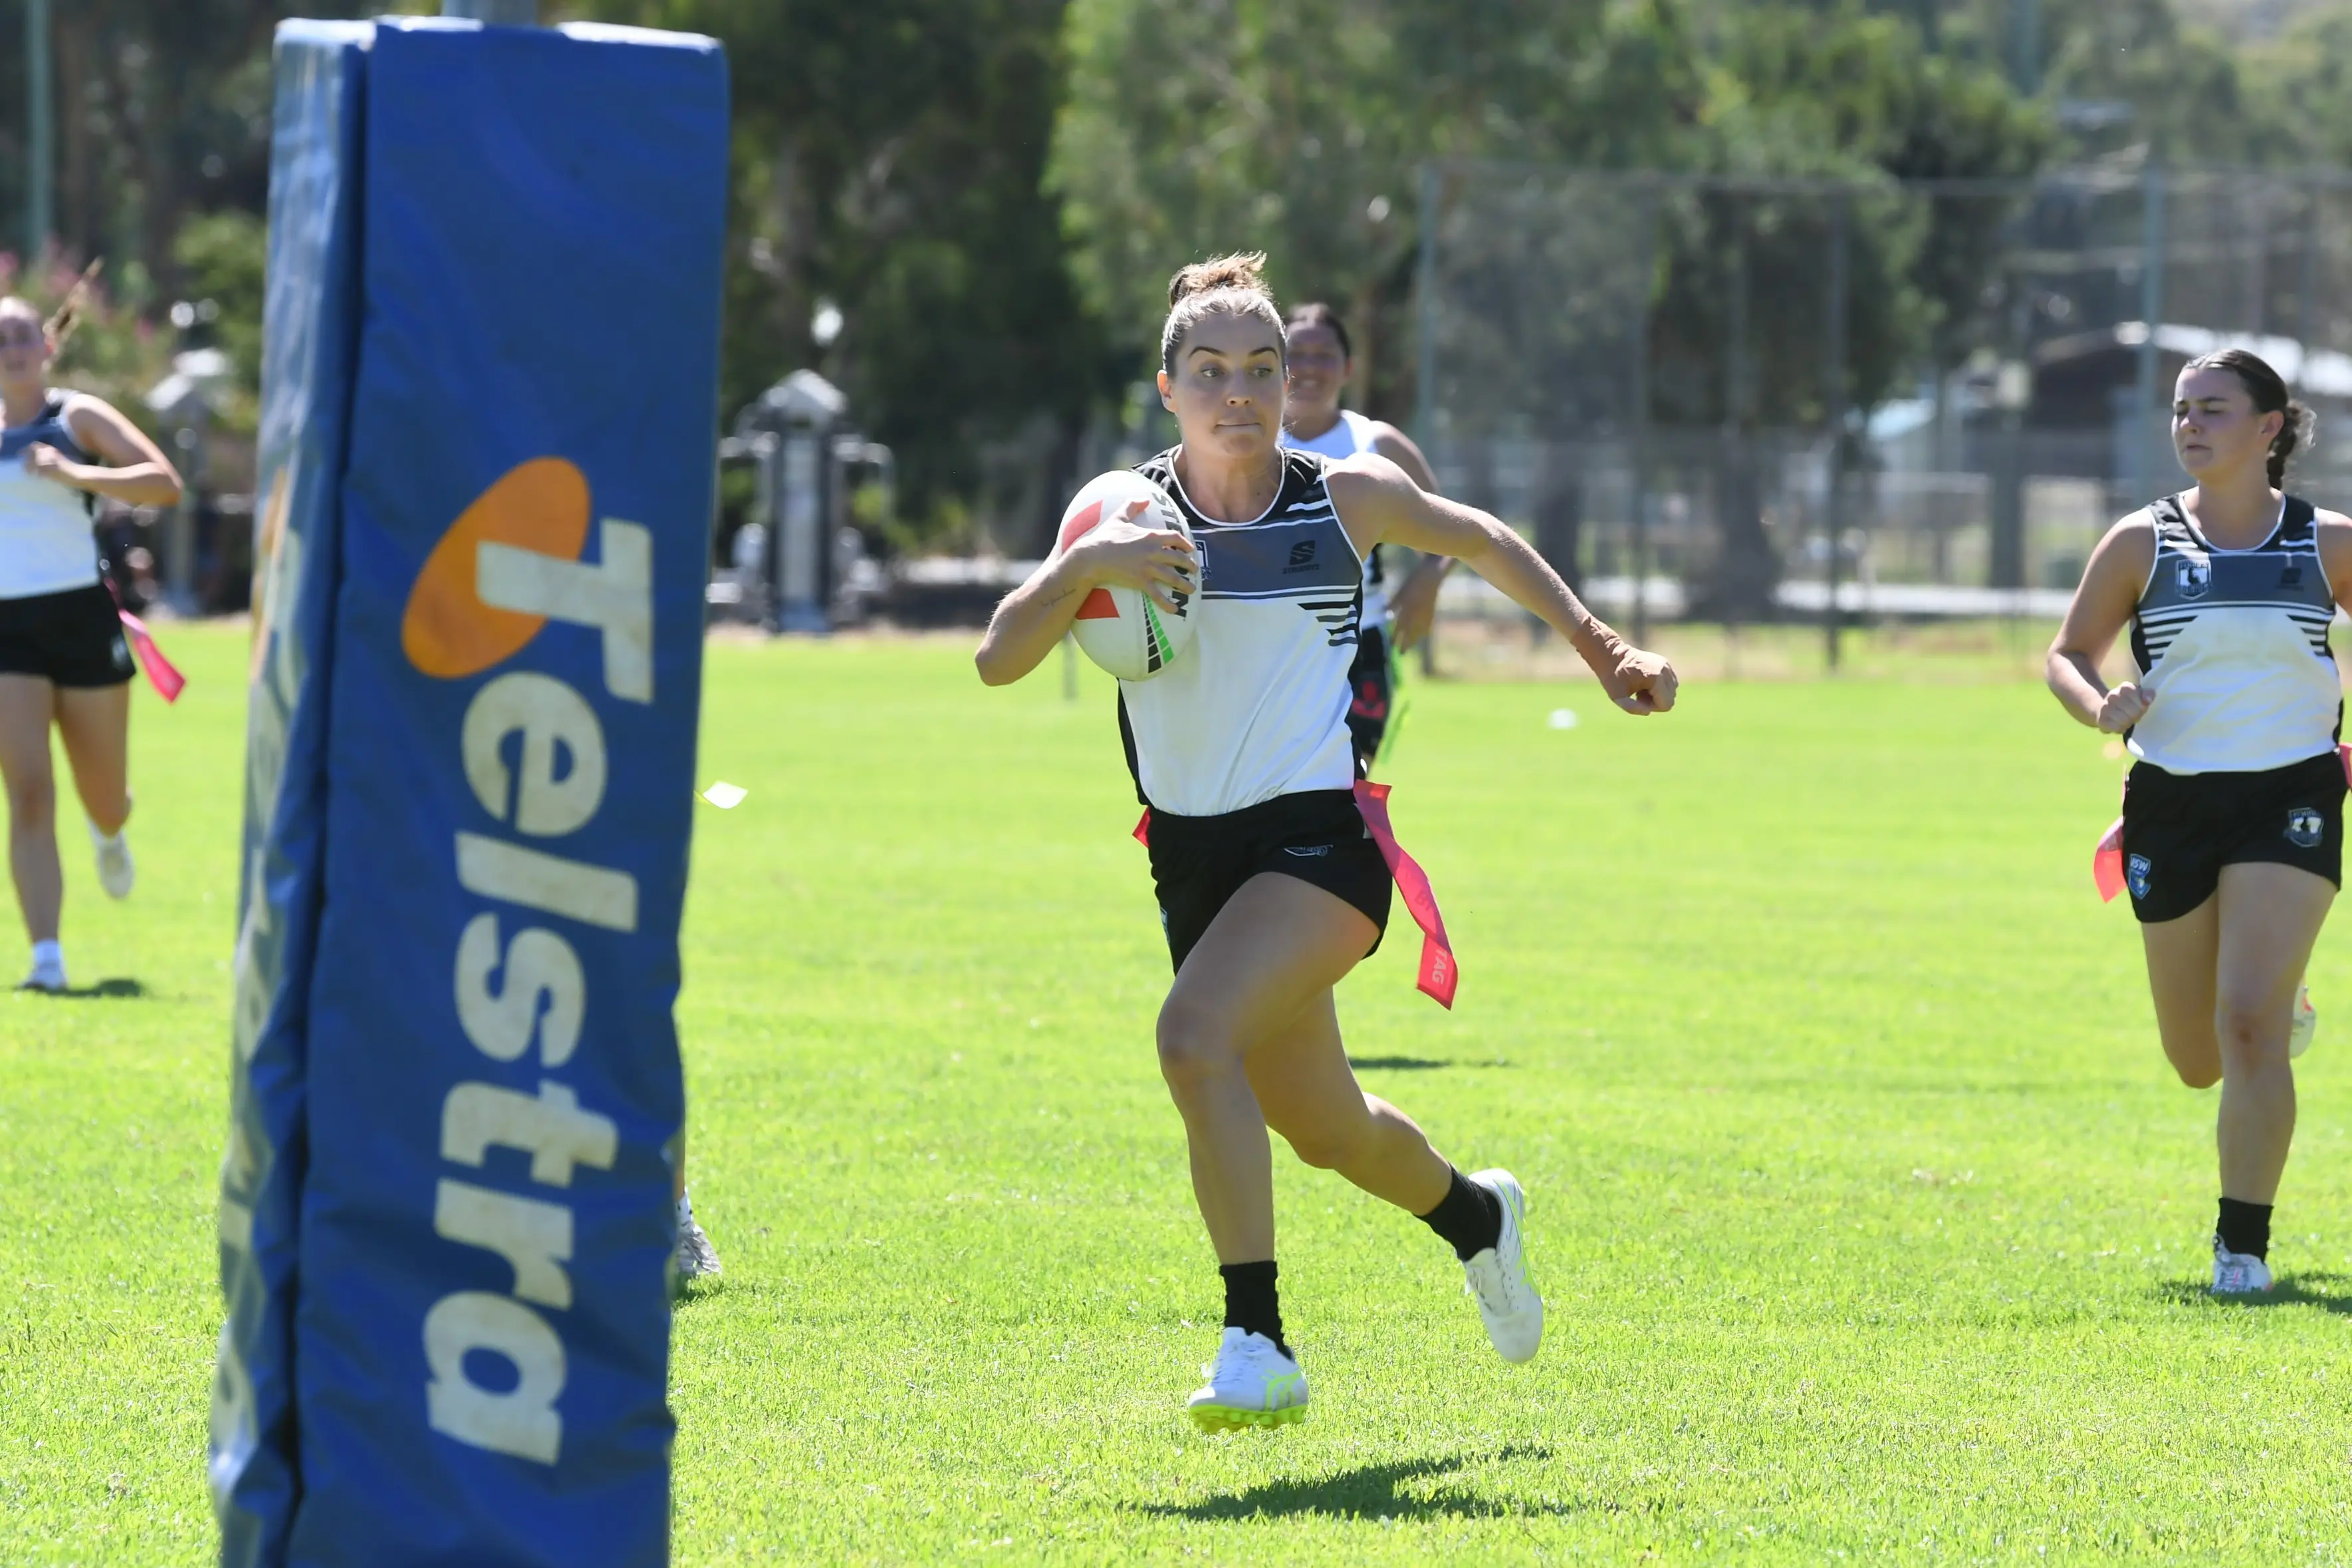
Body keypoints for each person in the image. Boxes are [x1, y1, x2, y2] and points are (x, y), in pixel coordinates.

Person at [976, 254, 1678, 1428]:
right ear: (1166, 386)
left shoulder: (1337, 497)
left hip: (1319, 844)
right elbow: (999, 656)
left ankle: (1257, 1338)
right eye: (1210, 373)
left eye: (1260, 368)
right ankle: (1477, 1217)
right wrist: (1087, 567)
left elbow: (1480, 538)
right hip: (1191, 859)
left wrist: (1601, 646)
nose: (1239, 393)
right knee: (1325, 1126)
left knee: (1192, 1039)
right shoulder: (1123, 515)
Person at [2048, 348, 2342, 1296]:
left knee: (2246, 1024)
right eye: (2180, 410)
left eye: (2211, 409)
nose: (2189, 425)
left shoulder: (2326, 542)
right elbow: (2066, 653)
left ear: (2268, 427)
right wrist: (2098, 704)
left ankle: (2240, 1247)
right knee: (2196, 1056)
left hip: (2290, 795)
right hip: (2170, 801)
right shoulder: (2140, 542)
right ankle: (2272, 994)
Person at [0, 282, 181, 994]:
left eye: (21, 336)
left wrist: (74, 470)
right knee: (29, 792)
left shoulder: (77, 418)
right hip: (7, 628)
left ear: (45, 346)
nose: (11, 350)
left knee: (104, 796)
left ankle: (110, 833)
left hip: (81, 617)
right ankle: (47, 960)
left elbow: (164, 484)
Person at [1280, 302, 1451, 774]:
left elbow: (1453, 534)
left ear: (1348, 367)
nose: (1310, 367)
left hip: (1362, 646)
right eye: (1296, 353)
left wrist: (1429, 578)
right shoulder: (1249, 443)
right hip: (1272, 647)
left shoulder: (1376, 444)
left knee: (1348, 793)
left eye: (1325, 354)